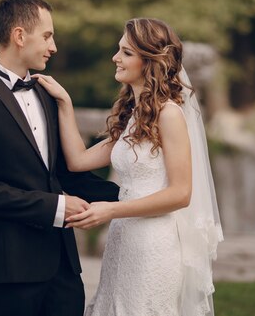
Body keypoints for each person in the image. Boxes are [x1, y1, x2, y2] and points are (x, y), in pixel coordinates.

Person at [35, 17, 224, 316]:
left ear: (150, 62)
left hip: (154, 245)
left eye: (126, 52)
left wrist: (110, 210)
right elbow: (78, 161)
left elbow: (180, 194)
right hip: (124, 240)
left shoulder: (169, 115)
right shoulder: (136, 115)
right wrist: (65, 104)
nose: (115, 58)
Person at [0, 0, 120, 316]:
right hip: (11, 271)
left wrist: (131, 196)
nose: (53, 46)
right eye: (47, 35)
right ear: (19, 35)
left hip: (64, 269)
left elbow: (64, 174)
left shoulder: (47, 93)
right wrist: (56, 206)